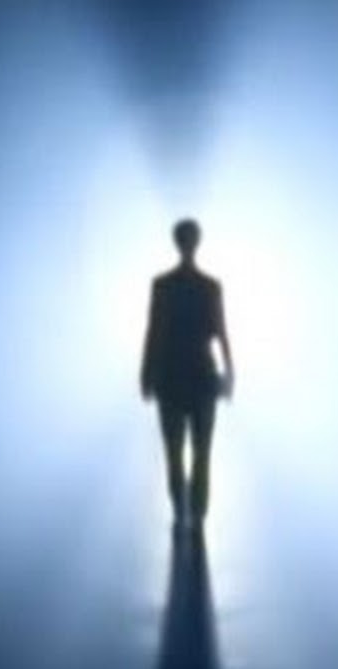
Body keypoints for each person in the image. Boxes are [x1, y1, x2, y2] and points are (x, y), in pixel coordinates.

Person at [140, 219, 234, 530]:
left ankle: (184, 510)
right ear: (195, 242)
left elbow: (154, 331)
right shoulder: (209, 286)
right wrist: (229, 372)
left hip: (173, 375)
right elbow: (221, 332)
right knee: (199, 450)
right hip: (200, 374)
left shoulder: (163, 285)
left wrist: (147, 372)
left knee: (177, 449)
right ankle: (195, 513)